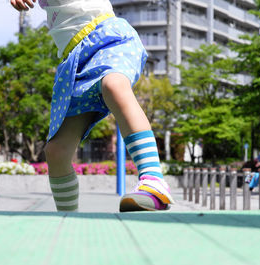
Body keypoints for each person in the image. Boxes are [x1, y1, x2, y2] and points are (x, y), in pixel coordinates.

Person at [10, 0, 174, 212]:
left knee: (114, 85)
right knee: (56, 151)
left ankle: (154, 181)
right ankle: (67, 219)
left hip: (107, 36)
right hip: (75, 60)